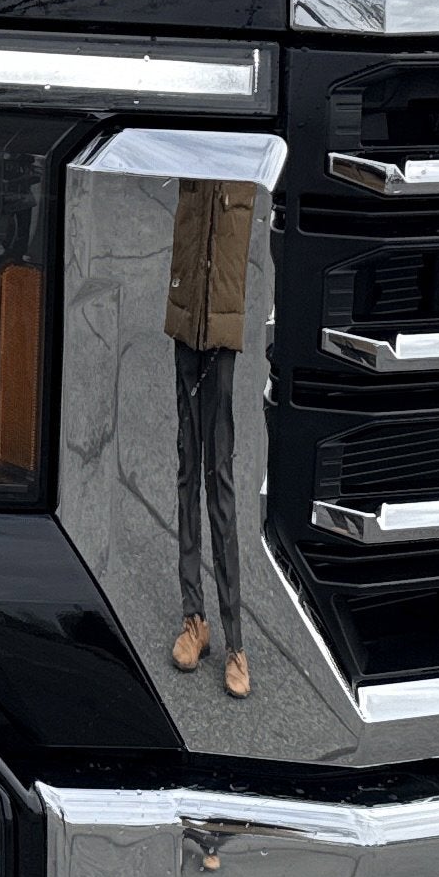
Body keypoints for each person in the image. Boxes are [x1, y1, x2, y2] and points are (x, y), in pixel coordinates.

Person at [166, 174, 254, 700]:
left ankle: (236, 642)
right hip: (184, 319)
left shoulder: (244, 161)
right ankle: (193, 619)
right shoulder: (192, 154)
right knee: (186, 472)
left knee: (219, 479)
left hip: (221, 331)